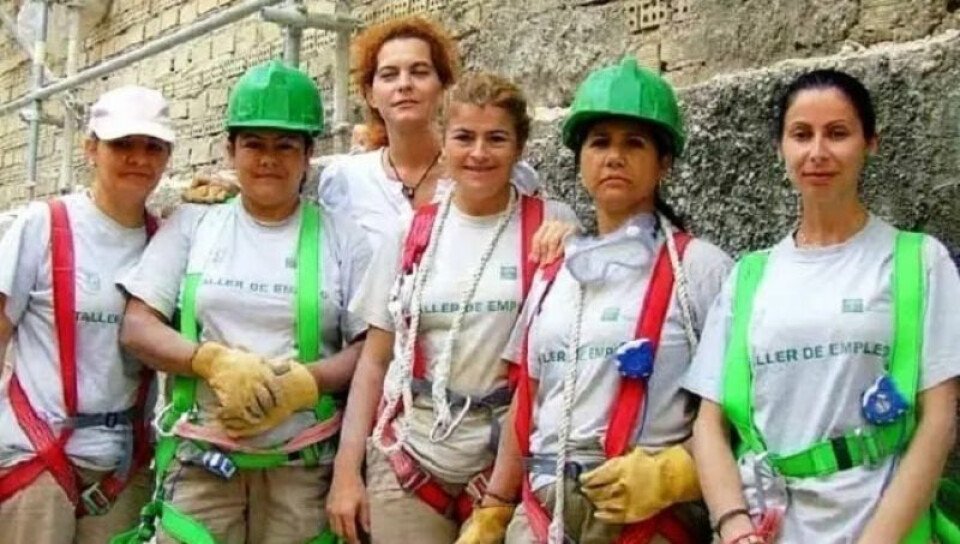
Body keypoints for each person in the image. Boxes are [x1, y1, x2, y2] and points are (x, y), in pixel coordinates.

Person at [459, 57, 732, 544]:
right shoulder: (554, 271)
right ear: (580, 158)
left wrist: (676, 473)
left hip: (648, 518)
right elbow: (529, 397)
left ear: (664, 162)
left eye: (635, 143)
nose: (614, 157)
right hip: (543, 514)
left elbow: (735, 407)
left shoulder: (700, 269)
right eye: (600, 142)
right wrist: (496, 505)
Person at [685, 69, 960, 544]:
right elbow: (709, 424)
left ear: (870, 143)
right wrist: (734, 525)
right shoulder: (749, 276)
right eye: (801, 134)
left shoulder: (918, 261)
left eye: (837, 133)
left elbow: (939, 419)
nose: (817, 152)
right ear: (781, 148)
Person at [118, 60, 372, 544]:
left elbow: (369, 349)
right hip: (201, 465)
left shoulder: (343, 238)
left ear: (308, 154)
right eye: (254, 144)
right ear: (230, 149)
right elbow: (137, 326)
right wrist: (210, 361)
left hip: (301, 469)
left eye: (286, 146)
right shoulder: (194, 225)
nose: (269, 159)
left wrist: (306, 383)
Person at [325, 72, 579, 544]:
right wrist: (346, 473)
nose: (479, 153)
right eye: (464, 137)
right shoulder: (411, 233)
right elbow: (374, 361)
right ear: (442, 141)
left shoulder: (553, 225)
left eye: (496, 138)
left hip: (511, 464)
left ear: (520, 147)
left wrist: (574, 245)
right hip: (411, 458)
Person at [0, 85, 173, 543]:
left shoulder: (166, 241)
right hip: (35, 461)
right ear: (91, 149)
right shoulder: (44, 225)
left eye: (152, 147)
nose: (138, 158)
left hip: (122, 468)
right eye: (122, 144)